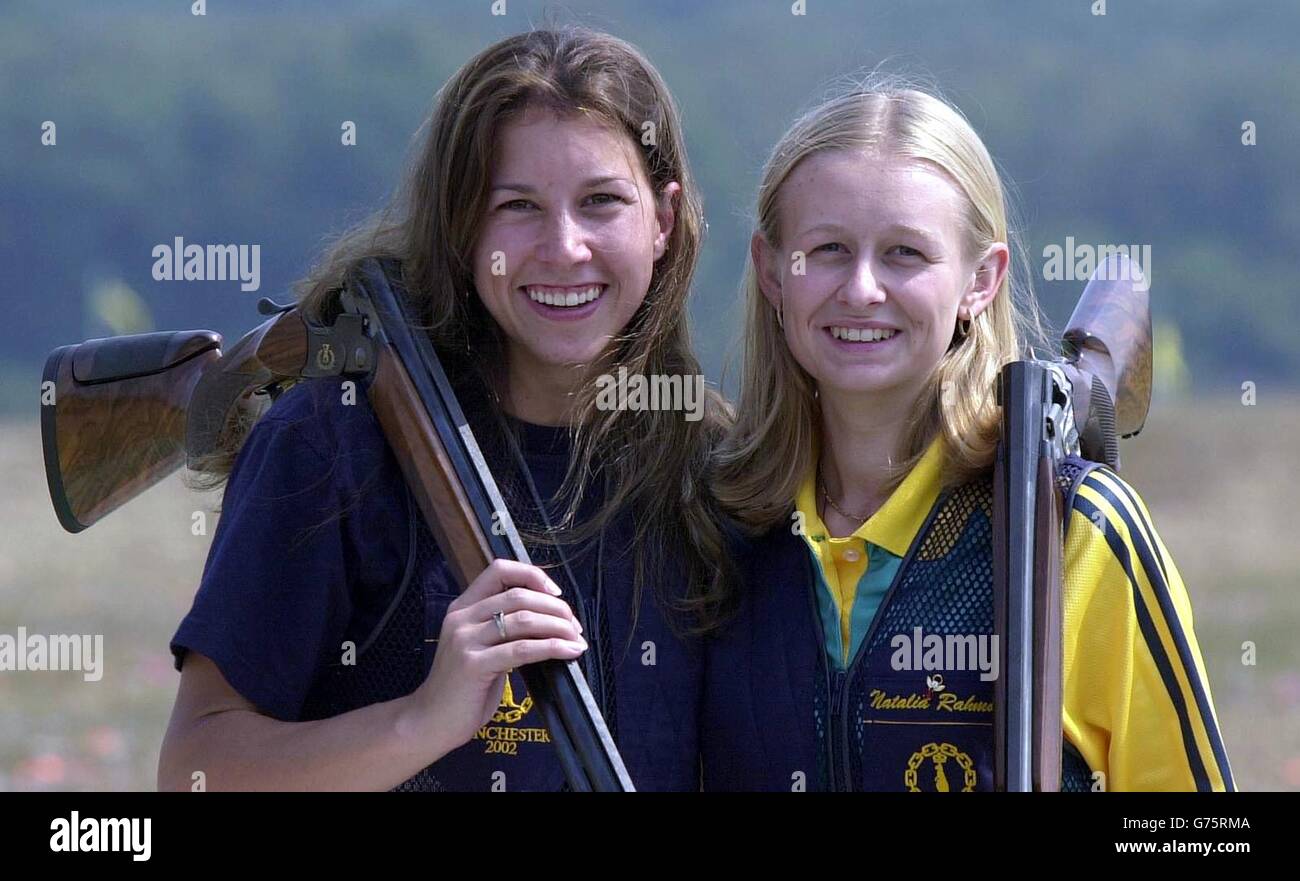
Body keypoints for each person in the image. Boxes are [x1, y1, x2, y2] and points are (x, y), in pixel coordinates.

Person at [158, 26, 731, 791]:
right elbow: (192, 772)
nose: (564, 248)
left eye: (601, 201)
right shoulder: (332, 443)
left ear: (662, 220)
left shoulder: (717, 469)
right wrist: (423, 719)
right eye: (518, 206)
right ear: (461, 229)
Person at [702, 76, 1234, 792]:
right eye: (828, 249)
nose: (861, 288)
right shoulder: (716, 530)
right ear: (772, 271)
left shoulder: (1074, 529)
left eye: (904, 254)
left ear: (981, 282)